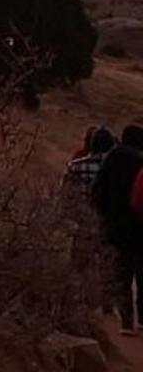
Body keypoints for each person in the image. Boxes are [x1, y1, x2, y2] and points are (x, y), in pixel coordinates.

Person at [93, 125, 143, 335]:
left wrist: (104, 214)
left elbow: (97, 190)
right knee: (141, 271)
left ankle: (126, 321)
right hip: (140, 224)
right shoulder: (141, 160)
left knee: (120, 271)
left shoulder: (111, 159)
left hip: (115, 223)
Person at [65, 126, 117, 311]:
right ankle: (107, 303)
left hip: (84, 219)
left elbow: (67, 196)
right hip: (107, 221)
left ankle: (76, 300)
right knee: (107, 262)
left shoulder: (76, 166)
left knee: (79, 263)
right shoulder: (116, 169)